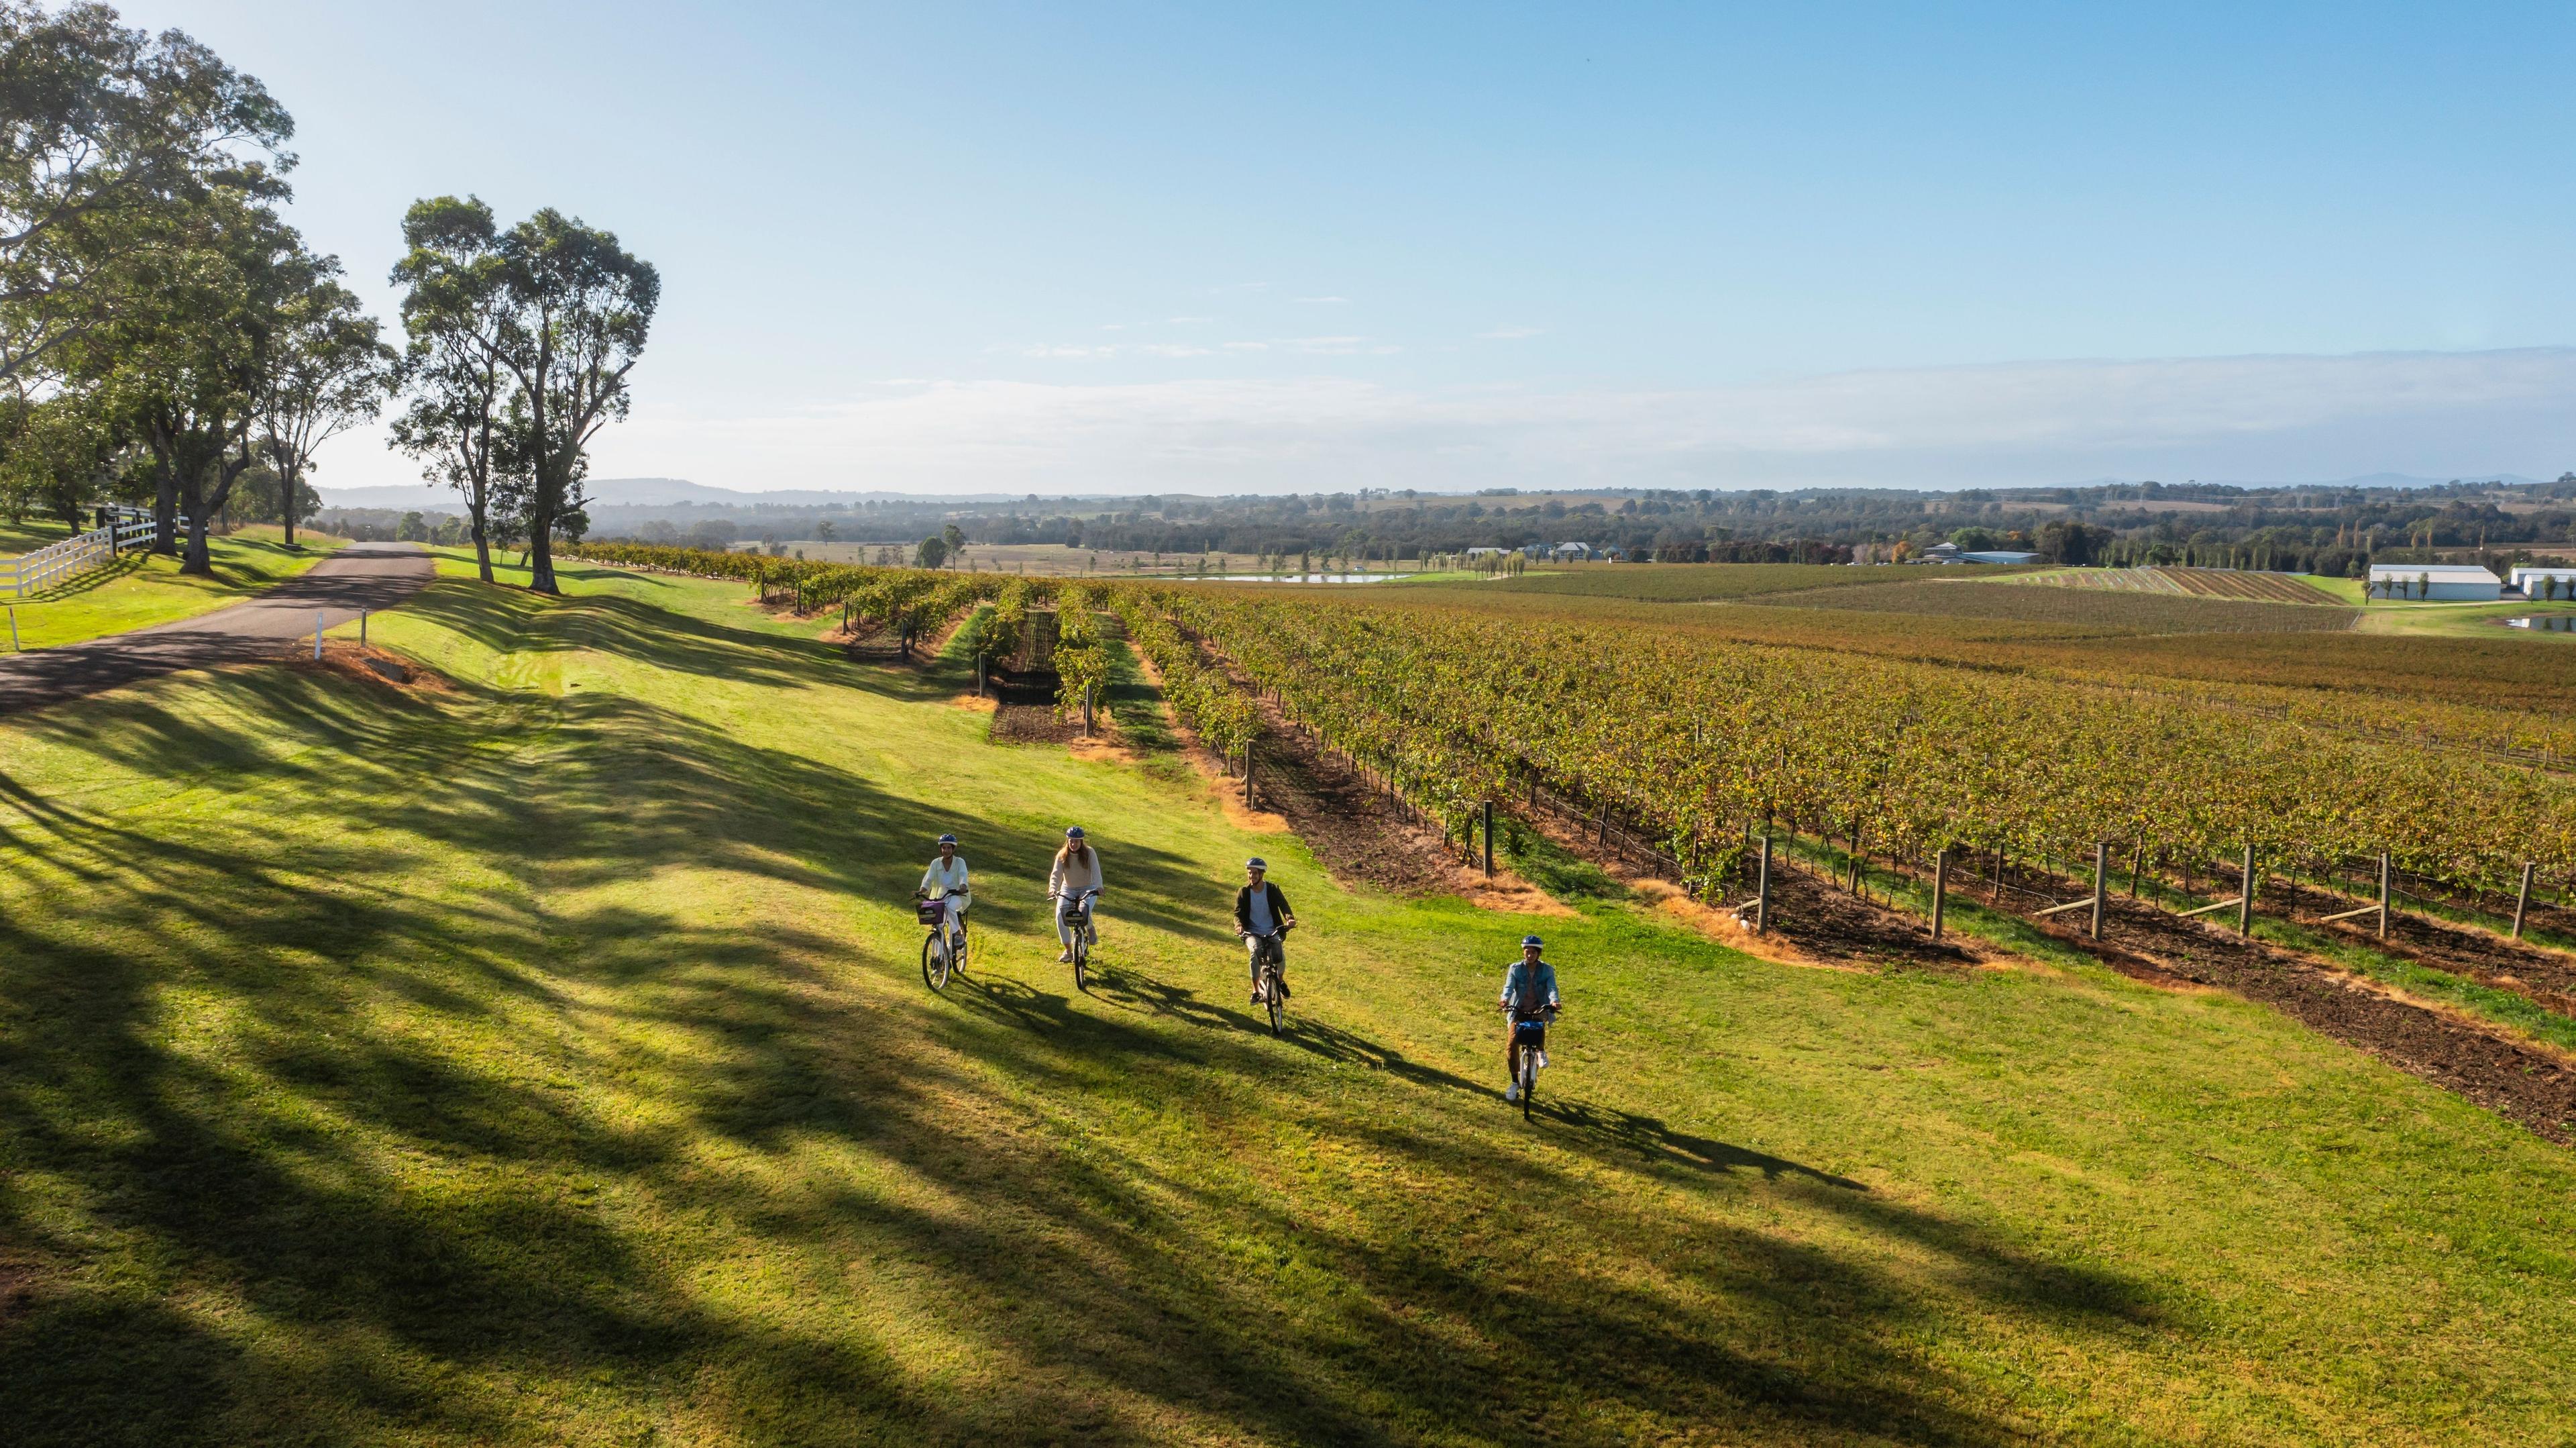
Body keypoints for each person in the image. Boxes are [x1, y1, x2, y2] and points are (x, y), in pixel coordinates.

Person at [1499, 934, 1561, 1102]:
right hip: (1519, 1010)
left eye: (1533, 952)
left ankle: (1540, 1052)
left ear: (1538, 954)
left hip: (1538, 1007)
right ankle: (1514, 1082)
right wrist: (1505, 999)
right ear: (1523, 952)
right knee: (1512, 1045)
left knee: (1539, 1025)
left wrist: (1554, 1001)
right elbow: (1509, 987)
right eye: (1527, 951)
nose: (1529, 955)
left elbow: (1552, 988)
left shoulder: (1547, 970)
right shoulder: (1515, 969)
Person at [1234, 857, 1296, 1004]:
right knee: (1255, 952)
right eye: (1250, 873)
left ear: (1262, 874)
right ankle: (1256, 991)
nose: (1251, 876)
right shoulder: (1244, 892)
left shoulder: (1272, 890)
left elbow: (1283, 905)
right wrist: (1238, 925)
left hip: (1272, 930)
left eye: (1255, 873)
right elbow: (1237, 914)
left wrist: (1290, 918)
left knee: (1279, 952)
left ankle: (1280, 982)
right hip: (1252, 932)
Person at [1048, 826, 1104, 962]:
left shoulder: (1090, 853)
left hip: (1088, 888)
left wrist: (1099, 887)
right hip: (1069, 888)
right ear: (1068, 841)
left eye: (1076, 842)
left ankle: (1089, 928)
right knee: (1061, 915)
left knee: (1083, 911)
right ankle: (1068, 950)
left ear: (1081, 842)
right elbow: (1056, 874)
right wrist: (1053, 888)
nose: (1073, 844)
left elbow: (1096, 871)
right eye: (1071, 841)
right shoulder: (1062, 855)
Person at [917, 833, 971, 943]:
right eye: (944, 848)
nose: (946, 850)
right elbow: (929, 879)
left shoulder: (960, 862)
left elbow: (963, 875)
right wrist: (921, 890)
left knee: (950, 906)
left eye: (949, 848)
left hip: (957, 896)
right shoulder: (936, 863)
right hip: (940, 897)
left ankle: (957, 934)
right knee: (938, 924)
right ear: (941, 849)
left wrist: (963, 886)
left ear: (953, 849)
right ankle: (939, 956)